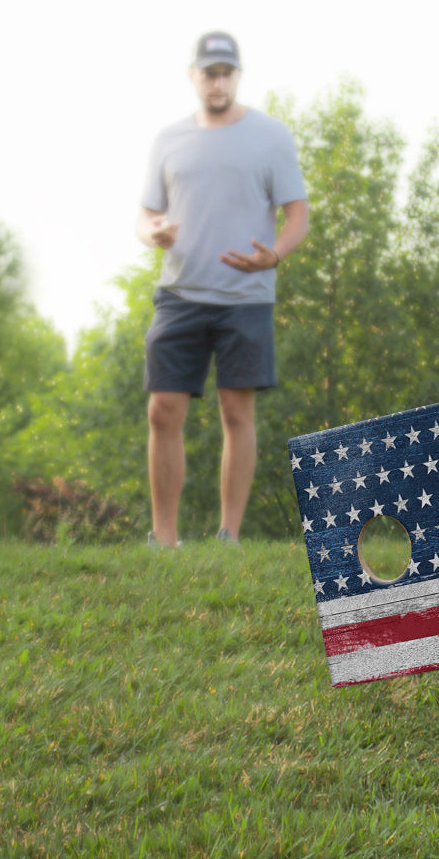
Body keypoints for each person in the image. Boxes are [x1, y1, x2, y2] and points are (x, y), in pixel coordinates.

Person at [137, 31, 309, 548]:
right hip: (179, 295)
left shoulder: (271, 136)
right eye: (209, 72)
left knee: (237, 411)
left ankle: (228, 535)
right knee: (162, 409)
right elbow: (146, 214)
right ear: (194, 75)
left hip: (245, 297)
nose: (217, 81)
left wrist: (274, 254)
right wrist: (154, 232)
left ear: (237, 75)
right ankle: (164, 538)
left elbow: (298, 214)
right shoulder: (167, 139)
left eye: (226, 72)